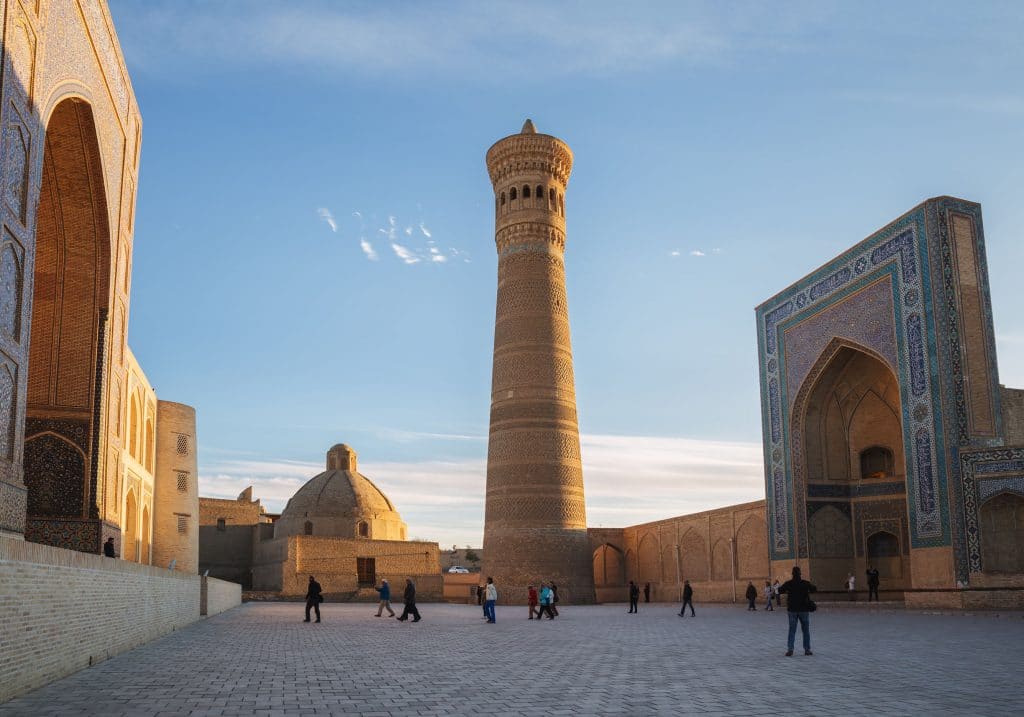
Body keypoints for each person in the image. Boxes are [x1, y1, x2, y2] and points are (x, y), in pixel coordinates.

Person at [778, 566, 817, 656]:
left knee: (792, 630)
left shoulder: (789, 583)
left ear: (792, 574)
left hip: (792, 610)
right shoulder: (805, 583)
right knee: (806, 630)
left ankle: (790, 649)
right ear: (800, 574)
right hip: (803, 610)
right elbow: (814, 589)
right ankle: (807, 649)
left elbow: (780, 590)